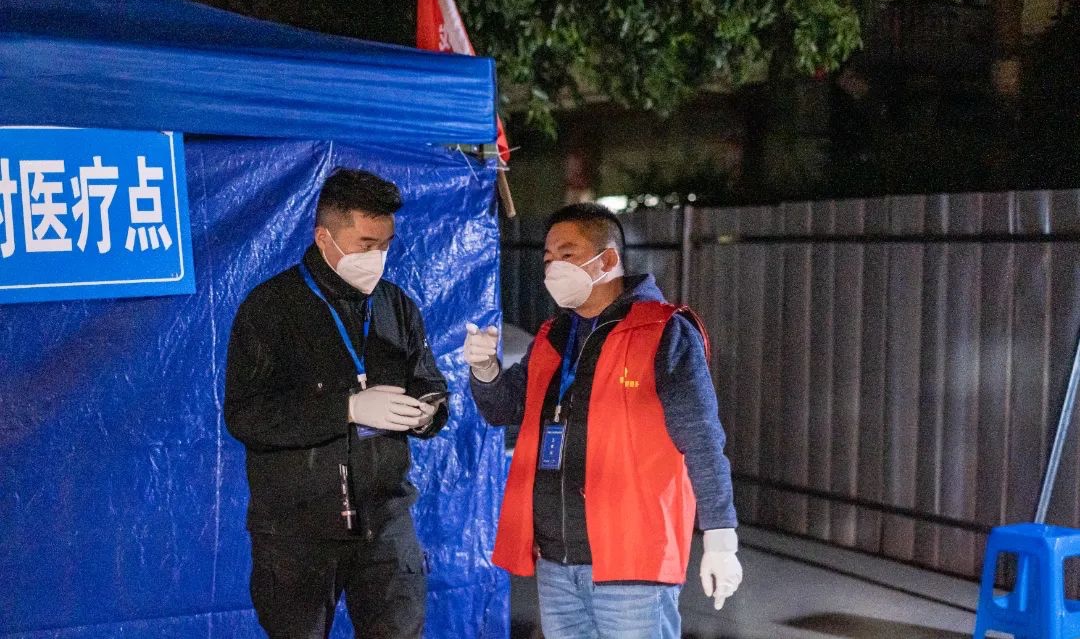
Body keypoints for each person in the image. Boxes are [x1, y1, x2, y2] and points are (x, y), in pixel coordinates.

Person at [464, 203, 741, 639]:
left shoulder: (663, 331)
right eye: (548, 259)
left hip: (632, 562)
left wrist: (720, 536)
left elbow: (702, 437)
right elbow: (502, 409)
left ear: (607, 259)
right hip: (557, 560)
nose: (553, 268)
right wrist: (484, 371)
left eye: (567, 255)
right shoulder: (554, 337)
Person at [225, 168, 449, 639]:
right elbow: (246, 415)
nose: (377, 258)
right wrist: (346, 409)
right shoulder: (271, 308)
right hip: (297, 527)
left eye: (385, 245)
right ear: (324, 237)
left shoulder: (396, 305)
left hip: (385, 517)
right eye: (365, 244)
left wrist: (428, 411)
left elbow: (428, 381)